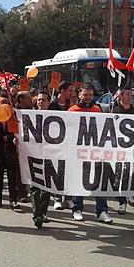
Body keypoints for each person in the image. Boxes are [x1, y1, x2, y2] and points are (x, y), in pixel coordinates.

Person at [67, 83, 113, 223]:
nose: (88, 98)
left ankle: (102, 211)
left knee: (98, 181)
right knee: (79, 180)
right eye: (85, 95)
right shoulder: (71, 111)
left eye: (91, 95)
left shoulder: (98, 110)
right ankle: (77, 209)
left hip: (95, 152)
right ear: (79, 95)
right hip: (78, 153)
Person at [111, 86, 134, 214]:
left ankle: (128, 192)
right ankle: (121, 201)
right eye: (127, 94)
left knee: (130, 173)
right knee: (119, 173)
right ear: (121, 96)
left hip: (132, 149)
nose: (130, 97)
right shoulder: (113, 111)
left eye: (131, 94)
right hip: (118, 149)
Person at [0, 98, 20, 209]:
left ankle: (13, 200)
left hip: (10, 152)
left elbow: (17, 133)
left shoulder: (13, 119)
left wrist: (13, 139)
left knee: (12, 177)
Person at [48, 81, 74, 210]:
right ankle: (57, 198)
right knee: (57, 171)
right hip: (55, 144)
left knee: (69, 172)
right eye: (70, 90)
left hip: (70, 144)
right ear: (62, 91)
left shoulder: (72, 106)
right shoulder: (51, 106)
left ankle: (68, 198)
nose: (72, 93)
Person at [29, 91, 52, 229]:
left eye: (43, 100)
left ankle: (42, 212)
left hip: (49, 156)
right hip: (33, 155)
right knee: (34, 186)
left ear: (49, 102)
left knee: (47, 187)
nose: (40, 102)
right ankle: (37, 214)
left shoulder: (55, 117)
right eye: (38, 99)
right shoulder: (29, 116)